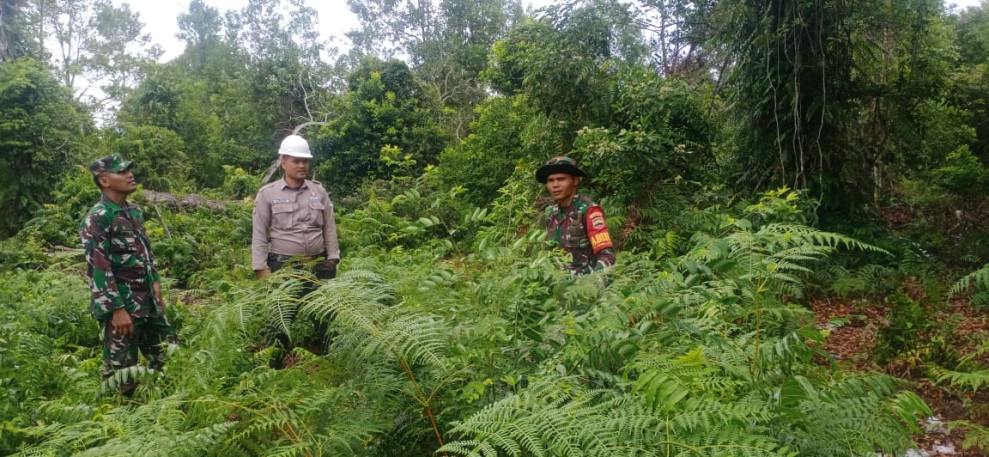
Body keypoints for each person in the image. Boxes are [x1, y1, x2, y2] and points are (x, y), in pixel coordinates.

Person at [80, 153, 177, 395]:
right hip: (123, 307)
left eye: (129, 170)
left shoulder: (134, 211)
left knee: (171, 356)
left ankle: (170, 408)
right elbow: (98, 268)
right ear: (104, 180)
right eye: (122, 172)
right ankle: (125, 420)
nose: (130, 175)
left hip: (149, 302)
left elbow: (145, 252)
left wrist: (155, 283)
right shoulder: (98, 218)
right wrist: (116, 309)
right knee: (122, 373)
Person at [251, 134, 340, 280]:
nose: (302, 165)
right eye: (296, 161)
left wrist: (333, 258)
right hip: (283, 268)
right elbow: (259, 233)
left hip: (319, 266)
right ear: (284, 162)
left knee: (319, 303)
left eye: (305, 161)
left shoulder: (319, 191)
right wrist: (260, 268)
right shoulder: (267, 194)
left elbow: (329, 227)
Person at [535, 156, 616, 274]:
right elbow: (549, 254)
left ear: (575, 180)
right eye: (550, 180)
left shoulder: (589, 211)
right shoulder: (550, 214)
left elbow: (607, 256)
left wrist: (592, 283)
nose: (555, 185)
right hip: (558, 284)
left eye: (561, 179)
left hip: (584, 285)